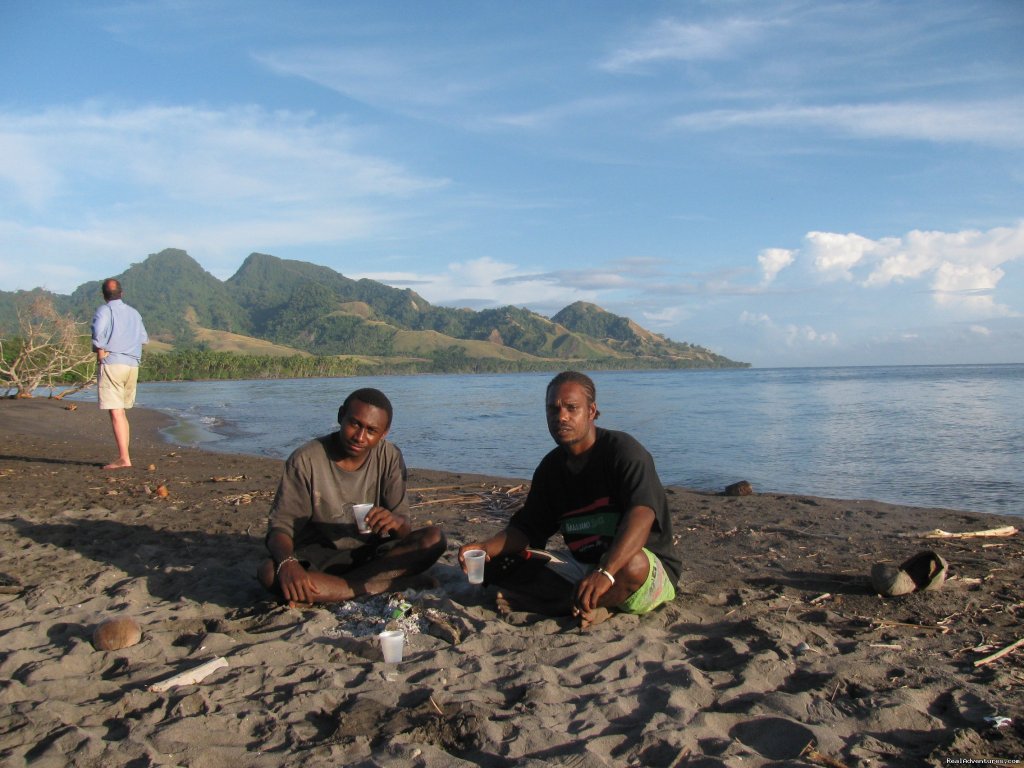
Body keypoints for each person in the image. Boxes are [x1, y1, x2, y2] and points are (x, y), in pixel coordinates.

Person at [459, 371, 681, 629]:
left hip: (639, 568)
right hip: (584, 566)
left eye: (571, 408)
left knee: (633, 565)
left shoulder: (623, 451)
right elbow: (527, 529)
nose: (561, 416)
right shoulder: (551, 468)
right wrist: (485, 547)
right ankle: (594, 604)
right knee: (497, 564)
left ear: (591, 411)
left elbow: (642, 514)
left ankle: (562, 605)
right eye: (553, 410)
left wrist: (606, 572)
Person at [258, 388, 446, 606]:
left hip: (370, 555)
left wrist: (394, 522)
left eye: (371, 430)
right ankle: (385, 586)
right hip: (319, 555)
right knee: (270, 573)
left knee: (434, 539)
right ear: (340, 416)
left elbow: (404, 532)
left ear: (384, 433)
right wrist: (288, 563)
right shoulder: (306, 460)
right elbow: (280, 528)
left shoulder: (389, 456)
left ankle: (334, 589)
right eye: (354, 424)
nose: (359, 437)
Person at [91, 278, 149, 470]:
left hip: (113, 363)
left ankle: (124, 457)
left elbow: (98, 332)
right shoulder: (134, 313)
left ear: (104, 295)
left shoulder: (105, 310)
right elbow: (143, 338)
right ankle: (124, 456)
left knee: (116, 412)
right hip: (132, 365)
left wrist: (100, 351)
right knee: (121, 411)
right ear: (121, 294)